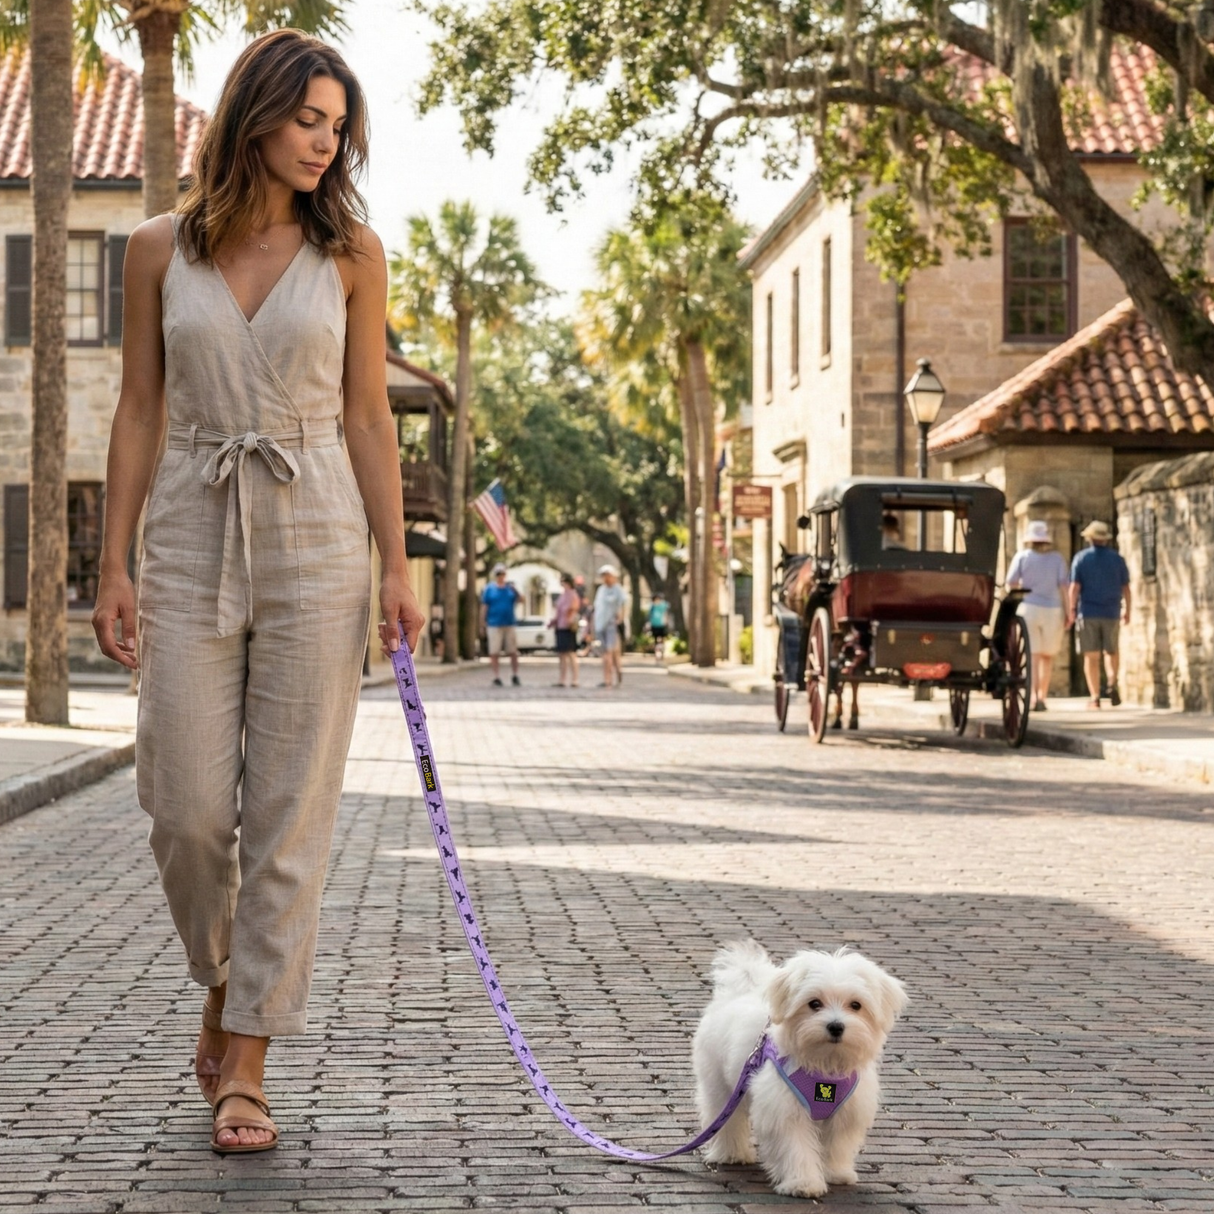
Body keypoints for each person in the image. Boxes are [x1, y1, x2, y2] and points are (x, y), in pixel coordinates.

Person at [89, 30, 425, 1155]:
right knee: (183, 805)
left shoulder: (354, 256)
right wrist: (115, 559)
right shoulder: (153, 249)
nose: (328, 144)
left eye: (339, 126)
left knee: (288, 815)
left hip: (318, 529)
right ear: (254, 117)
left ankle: (249, 1063)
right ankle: (231, 984)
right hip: (188, 520)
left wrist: (397, 559)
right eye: (309, 120)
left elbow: (369, 415)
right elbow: (137, 406)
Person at [1006, 519, 1072, 711]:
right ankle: (1042, 696)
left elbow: (1011, 583)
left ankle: (1033, 696)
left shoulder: (1022, 557)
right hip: (1053, 609)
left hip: (1029, 608)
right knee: (1047, 657)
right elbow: (1063, 586)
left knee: (1032, 656)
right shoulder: (1057, 559)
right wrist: (1069, 612)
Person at [1068, 520, 1131, 709]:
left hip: (1088, 611)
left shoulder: (1081, 558)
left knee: (1091, 656)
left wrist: (1071, 610)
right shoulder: (1117, 559)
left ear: (1090, 538)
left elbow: (1074, 588)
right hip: (1111, 611)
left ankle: (1095, 697)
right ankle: (1112, 682)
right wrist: (1128, 609)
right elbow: (1126, 588)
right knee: (1111, 651)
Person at [480, 562, 522, 686]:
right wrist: (482, 623)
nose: (501, 576)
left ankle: (515, 674)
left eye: (502, 573)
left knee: (513, 651)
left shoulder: (510, 589)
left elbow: (521, 600)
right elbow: (484, 607)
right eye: (498, 574)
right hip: (493, 623)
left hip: (509, 623)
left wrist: (516, 590)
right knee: (494, 651)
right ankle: (496, 676)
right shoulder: (489, 589)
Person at [593, 564, 627, 688]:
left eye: (608, 575)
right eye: (604, 576)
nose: (606, 578)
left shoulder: (618, 589)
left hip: (612, 625)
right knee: (606, 653)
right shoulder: (601, 590)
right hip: (600, 625)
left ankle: (614, 677)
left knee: (611, 652)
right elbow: (597, 608)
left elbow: (623, 604)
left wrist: (621, 618)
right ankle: (608, 679)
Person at [551, 572, 581, 687]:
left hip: (568, 627)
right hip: (560, 626)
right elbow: (558, 610)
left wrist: (569, 618)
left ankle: (575, 679)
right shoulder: (563, 595)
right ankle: (562, 679)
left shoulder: (573, 594)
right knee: (562, 654)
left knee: (571, 653)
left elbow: (573, 608)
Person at [647, 592, 670, 661]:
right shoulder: (652, 606)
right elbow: (649, 616)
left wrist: (666, 621)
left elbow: (666, 613)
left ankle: (662, 653)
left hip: (662, 624)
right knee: (655, 640)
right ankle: (656, 654)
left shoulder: (663, 606)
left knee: (662, 639)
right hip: (654, 625)